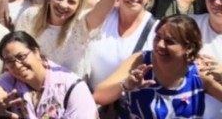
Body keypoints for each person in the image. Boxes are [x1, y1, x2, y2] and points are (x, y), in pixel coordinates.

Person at [94, 15, 222, 117]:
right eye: (158, 37)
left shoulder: (197, 73)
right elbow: (99, 96)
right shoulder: (141, 61)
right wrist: (126, 85)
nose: (160, 45)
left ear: (188, 48)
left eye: (169, 41)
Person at [0, 30, 98, 118]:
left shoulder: (71, 86)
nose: (18, 65)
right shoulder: (12, 78)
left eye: (21, 57)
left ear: (36, 52)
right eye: (9, 61)